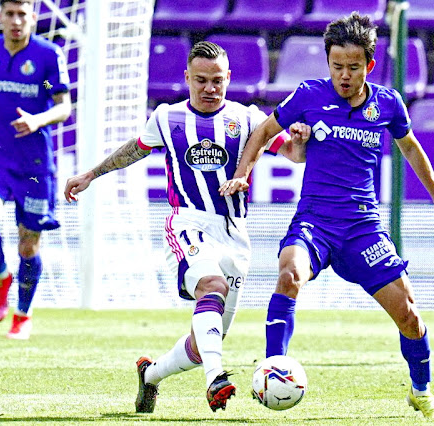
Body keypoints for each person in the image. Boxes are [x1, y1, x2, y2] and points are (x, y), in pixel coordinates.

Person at [220, 12, 434, 420]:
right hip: (314, 221)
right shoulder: (309, 95)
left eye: (352, 67)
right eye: (336, 67)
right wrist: (243, 173)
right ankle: (272, 369)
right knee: (289, 274)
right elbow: (262, 130)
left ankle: (421, 391)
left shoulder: (387, 103)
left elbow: (411, 149)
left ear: (368, 65)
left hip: (363, 229)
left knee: (410, 316)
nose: (344, 75)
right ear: (327, 63)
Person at [63, 41, 308, 413]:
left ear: (229, 78)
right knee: (211, 287)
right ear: (187, 79)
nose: (209, 88)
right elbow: (135, 149)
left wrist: (301, 139)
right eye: (201, 80)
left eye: (216, 81)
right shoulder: (167, 117)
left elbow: (293, 154)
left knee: (202, 341)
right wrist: (91, 175)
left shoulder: (248, 119)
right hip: (188, 222)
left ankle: (150, 375)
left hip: (235, 234)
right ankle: (216, 379)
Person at [0, 0, 72, 339]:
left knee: (28, 246)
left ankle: (23, 314)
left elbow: (63, 107)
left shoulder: (47, 56)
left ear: (33, 17)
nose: (16, 21)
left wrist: (37, 119)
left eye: (23, 14)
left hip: (34, 165)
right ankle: (2, 275)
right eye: (10, 14)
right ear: (0, 17)